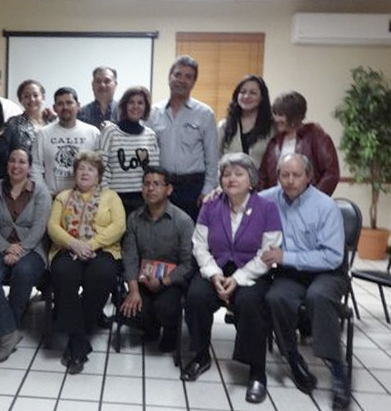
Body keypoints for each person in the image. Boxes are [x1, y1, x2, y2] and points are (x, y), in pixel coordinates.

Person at [182, 153, 282, 404]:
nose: (231, 179)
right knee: (196, 296)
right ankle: (201, 355)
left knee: (250, 302)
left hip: (252, 272)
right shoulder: (210, 205)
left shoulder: (267, 208)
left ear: (251, 180)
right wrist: (214, 274)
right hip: (215, 268)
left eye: (239, 174)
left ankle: (256, 371)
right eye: (226, 174)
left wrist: (237, 278)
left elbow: (268, 253)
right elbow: (199, 245)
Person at [261, 153, 350, 410]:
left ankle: (338, 371)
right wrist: (217, 195)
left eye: (296, 175)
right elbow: (242, 199)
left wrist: (285, 256)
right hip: (293, 272)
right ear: (278, 176)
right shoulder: (270, 198)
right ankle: (292, 358)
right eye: (284, 175)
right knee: (275, 297)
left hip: (329, 272)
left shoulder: (325, 206)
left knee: (318, 297)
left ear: (309, 176)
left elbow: (332, 257)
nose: (290, 181)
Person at [48, 151, 126, 374]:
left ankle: (76, 339)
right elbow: (53, 226)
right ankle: (79, 339)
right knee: (63, 272)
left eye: (91, 169)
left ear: (98, 175)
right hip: (68, 248)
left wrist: (90, 245)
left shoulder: (111, 197)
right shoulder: (63, 197)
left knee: (102, 274)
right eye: (81, 168)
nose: (85, 172)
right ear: (74, 173)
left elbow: (119, 226)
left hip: (102, 249)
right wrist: (74, 244)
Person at [0, 147, 52, 363]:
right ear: (7, 164)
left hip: (32, 249)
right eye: (12, 160)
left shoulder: (40, 192)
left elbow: (39, 227)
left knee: (23, 271)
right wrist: (5, 247)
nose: (16, 166)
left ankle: (4, 327)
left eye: (22, 162)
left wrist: (20, 249)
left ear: (29, 167)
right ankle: (9, 332)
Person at [120, 166, 194, 352]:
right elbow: (130, 257)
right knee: (129, 308)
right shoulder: (134, 218)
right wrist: (133, 291)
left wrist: (163, 281)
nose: (150, 188)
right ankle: (150, 328)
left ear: (169, 189)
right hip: (143, 279)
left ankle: (170, 333)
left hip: (171, 281)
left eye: (157, 184)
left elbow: (188, 264)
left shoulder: (183, 221)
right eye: (146, 184)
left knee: (164, 307)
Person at [147, 55, 218, 222]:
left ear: (193, 82)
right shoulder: (153, 113)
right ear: (169, 78)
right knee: (161, 229)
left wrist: (207, 189)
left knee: (190, 232)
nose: (181, 80)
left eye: (188, 76)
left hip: (192, 187)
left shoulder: (205, 114)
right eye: (177, 75)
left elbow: (212, 157)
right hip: (161, 184)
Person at [258, 91, 340, 196]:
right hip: (278, 202)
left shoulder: (315, 135)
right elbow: (263, 177)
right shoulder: (274, 142)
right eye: (275, 114)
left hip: (308, 202)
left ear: (294, 116)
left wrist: (314, 199)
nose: (276, 119)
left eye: (281, 115)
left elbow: (331, 173)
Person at [99, 86, 159, 216]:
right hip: (115, 199)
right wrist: (106, 197)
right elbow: (101, 167)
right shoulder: (110, 132)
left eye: (140, 103)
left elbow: (153, 171)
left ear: (146, 107)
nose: (135, 106)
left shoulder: (150, 135)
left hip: (142, 200)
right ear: (124, 105)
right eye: (131, 102)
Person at [31, 87, 100, 195]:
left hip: (86, 198)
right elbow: (35, 168)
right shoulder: (43, 134)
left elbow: (100, 166)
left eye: (69, 103)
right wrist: (44, 194)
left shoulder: (93, 132)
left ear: (78, 106)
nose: (65, 107)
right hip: (52, 198)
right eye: (60, 104)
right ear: (54, 108)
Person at [218, 75, 273, 167]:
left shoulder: (272, 126)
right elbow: (215, 157)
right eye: (243, 92)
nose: (246, 96)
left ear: (262, 97)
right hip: (230, 175)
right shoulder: (224, 125)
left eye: (253, 93)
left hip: (261, 176)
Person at [6, 79, 55, 152]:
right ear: (20, 100)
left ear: (43, 97)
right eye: (26, 96)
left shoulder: (53, 121)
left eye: (35, 95)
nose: (32, 99)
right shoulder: (14, 123)